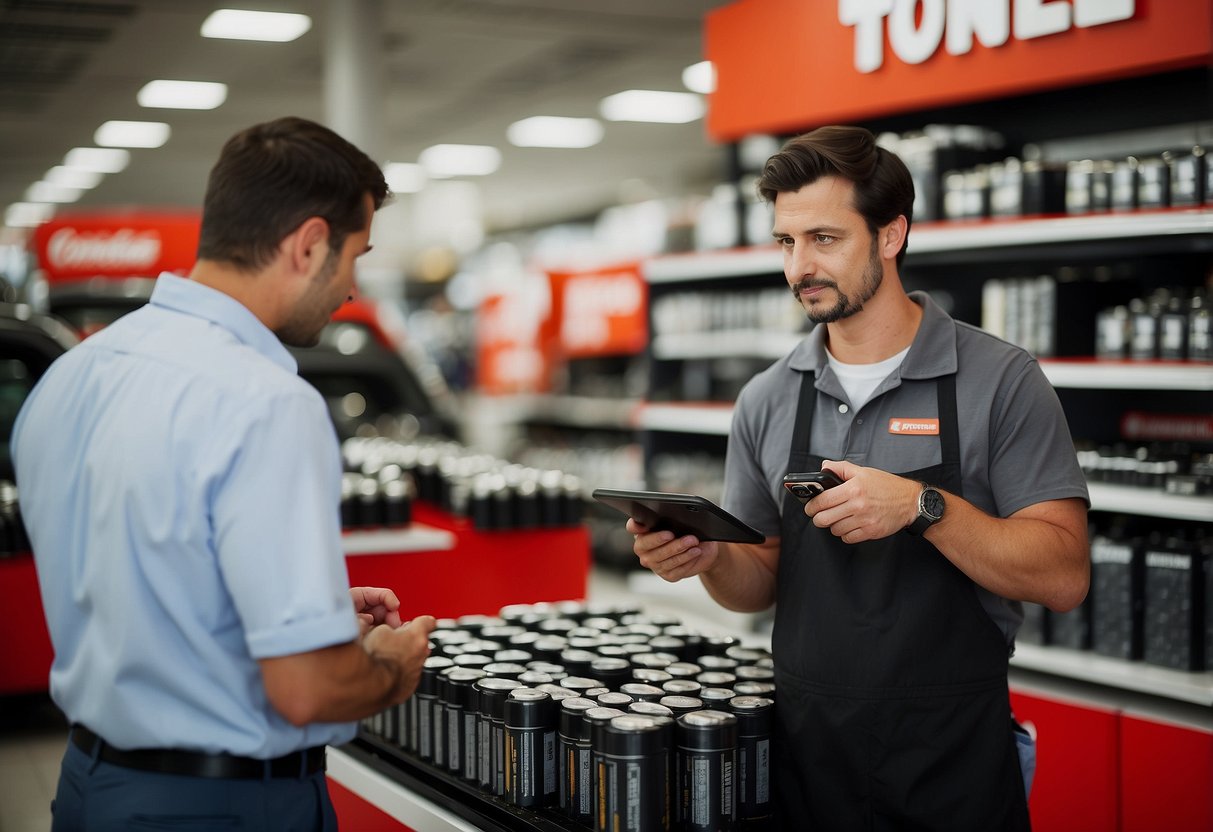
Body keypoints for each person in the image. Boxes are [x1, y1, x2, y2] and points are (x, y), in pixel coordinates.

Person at [629, 125, 1090, 830]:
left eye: (823, 238)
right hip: (808, 756)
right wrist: (708, 556)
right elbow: (757, 580)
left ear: (889, 235)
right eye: (785, 242)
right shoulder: (767, 397)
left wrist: (923, 505)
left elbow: (1063, 575)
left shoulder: (1001, 380)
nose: (798, 267)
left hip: (952, 757)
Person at [12, 116, 437, 830]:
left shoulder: (72, 374)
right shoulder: (265, 401)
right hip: (223, 807)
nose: (350, 290)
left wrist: (314, 615)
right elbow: (306, 690)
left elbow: (138, 581)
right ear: (307, 245)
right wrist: (389, 667)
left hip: (90, 785)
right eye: (352, 257)